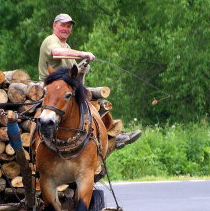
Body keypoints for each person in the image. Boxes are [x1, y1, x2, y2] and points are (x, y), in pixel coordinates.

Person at [38, 13, 140, 149]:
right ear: (54, 25)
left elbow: (71, 71)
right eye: (62, 25)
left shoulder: (66, 46)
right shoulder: (51, 40)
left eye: (68, 26)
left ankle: (113, 135)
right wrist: (82, 54)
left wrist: (83, 67)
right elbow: (56, 52)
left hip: (67, 86)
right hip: (51, 87)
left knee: (97, 102)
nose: (66, 29)